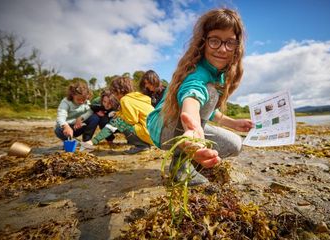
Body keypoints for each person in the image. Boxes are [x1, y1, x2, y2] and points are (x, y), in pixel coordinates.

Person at [147, 8, 253, 185]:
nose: (222, 49)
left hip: (187, 127)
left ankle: (195, 157)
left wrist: (233, 123)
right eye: (215, 41)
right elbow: (192, 96)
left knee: (235, 145)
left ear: (237, 47)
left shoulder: (219, 75)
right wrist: (193, 129)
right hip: (163, 127)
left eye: (230, 43)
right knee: (210, 91)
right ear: (203, 42)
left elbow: (209, 110)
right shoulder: (197, 73)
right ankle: (180, 165)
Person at [83, 76, 154, 154]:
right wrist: (118, 114)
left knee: (119, 122)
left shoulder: (125, 99)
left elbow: (131, 120)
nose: (114, 95)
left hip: (148, 133)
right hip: (154, 134)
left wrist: (119, 116)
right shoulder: (137, 96)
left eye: (114, 92)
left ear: (118, 90)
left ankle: (142, 146)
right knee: (118, 120)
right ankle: (144, 144)